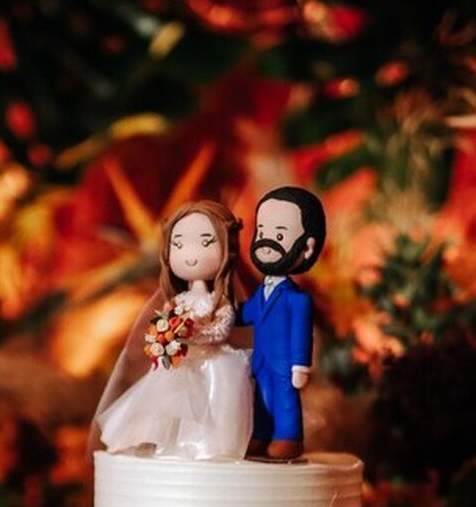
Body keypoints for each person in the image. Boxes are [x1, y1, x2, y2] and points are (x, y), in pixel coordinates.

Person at [93, 199, 251, 460]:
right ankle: (165, 444)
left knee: (209, 408)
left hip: (212, 364)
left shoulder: (217, 300)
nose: (190, 254)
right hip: (179, 362)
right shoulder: (176, 301)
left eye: (205, 243)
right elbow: (161, 326)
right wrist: (166, 338)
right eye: (178, 245)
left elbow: (222, 328)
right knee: (166, 403)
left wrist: (195, 332)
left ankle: (204, 447)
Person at [237, 185, 326, 461]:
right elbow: (246, 314)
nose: (266, 241)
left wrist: (301, 365)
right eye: (262, 232)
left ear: (307, 248)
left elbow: (302, 334)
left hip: (286, 365)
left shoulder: (297, 300)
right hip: (262, 362)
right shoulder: (261, 292)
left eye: (278, 235)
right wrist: (221, 313)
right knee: (261, 401)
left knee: (285, 403)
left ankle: (289, 438)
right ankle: (261, 435)